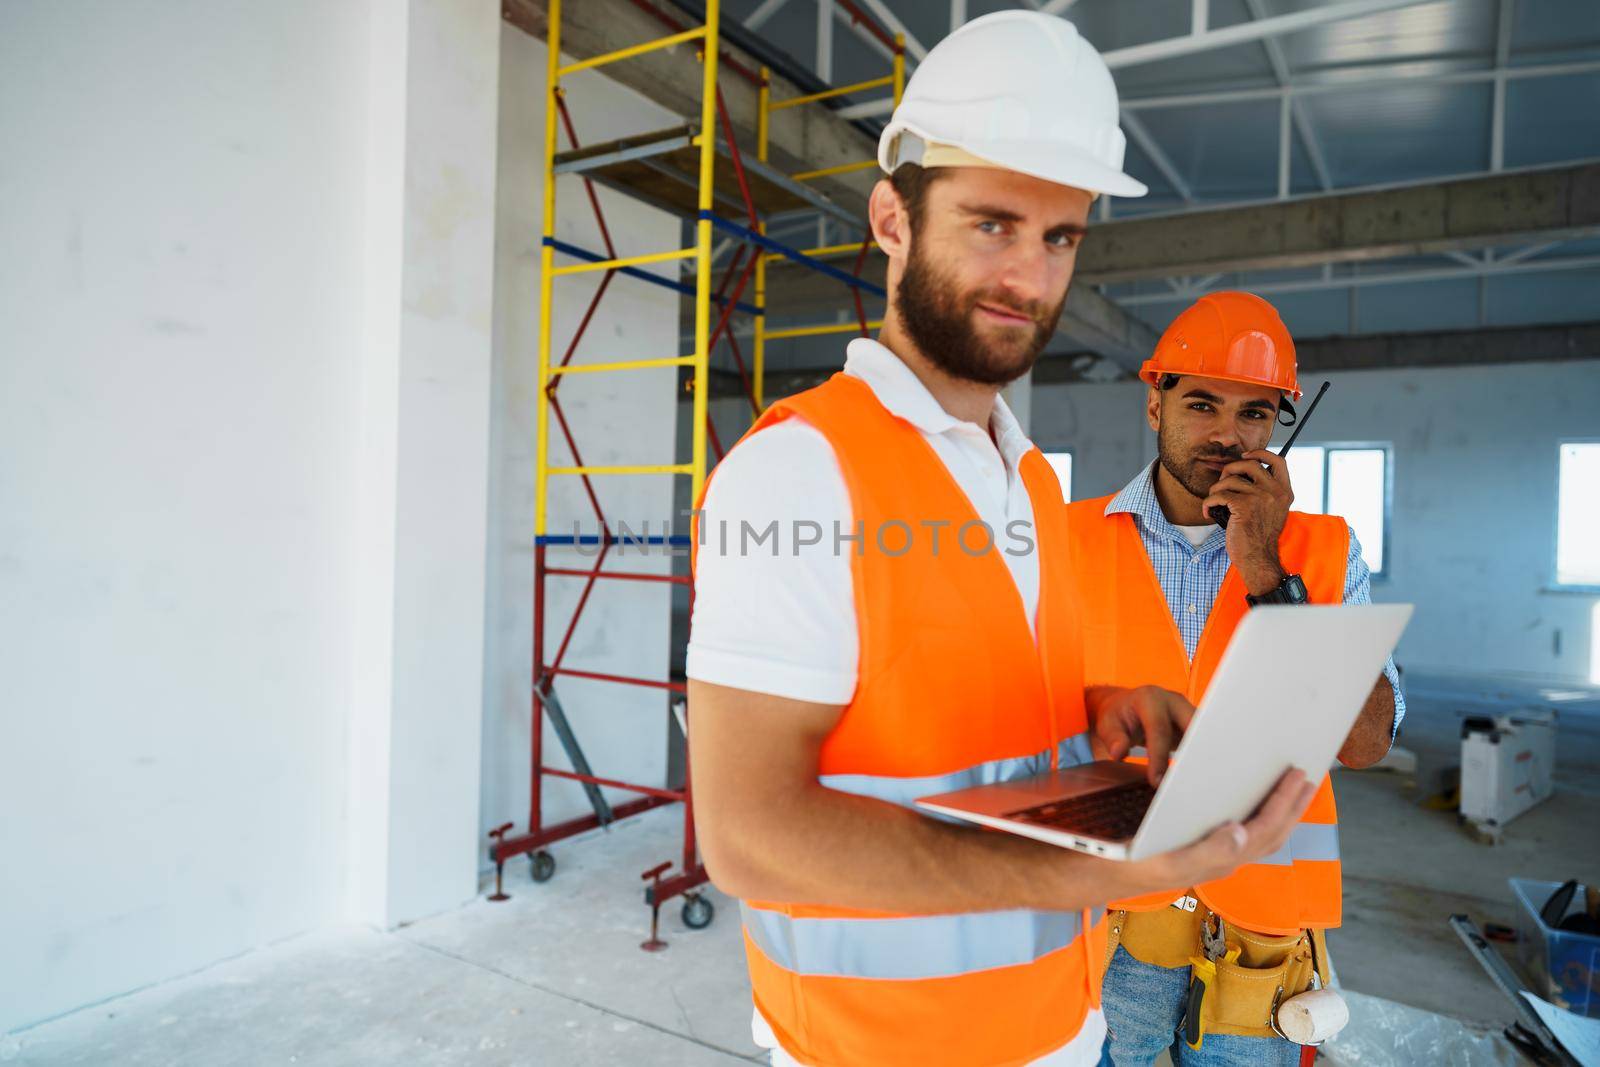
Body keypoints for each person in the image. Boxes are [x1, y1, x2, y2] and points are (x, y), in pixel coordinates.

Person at [685, 14, 1318, 1067]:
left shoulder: (1023, 475)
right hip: (879, 1045)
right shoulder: (798, 471)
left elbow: (951, 704)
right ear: (893, 215)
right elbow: (747, 836)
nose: (1027, 274)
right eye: (991, 223)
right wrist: (1089, 876)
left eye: (1058, 235)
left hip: (1053, 1021)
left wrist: (1097, 708)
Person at [1062, 291, 1406, 1065]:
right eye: (1202, 402)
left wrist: (1265, 564)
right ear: (1155, 403)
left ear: (1279, 424)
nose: (1226, 433)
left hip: (1260, 934)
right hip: (1105, 919)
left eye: (1254, 413)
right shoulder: (1065, 539)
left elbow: (1365, 742)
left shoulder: (1322, 549)